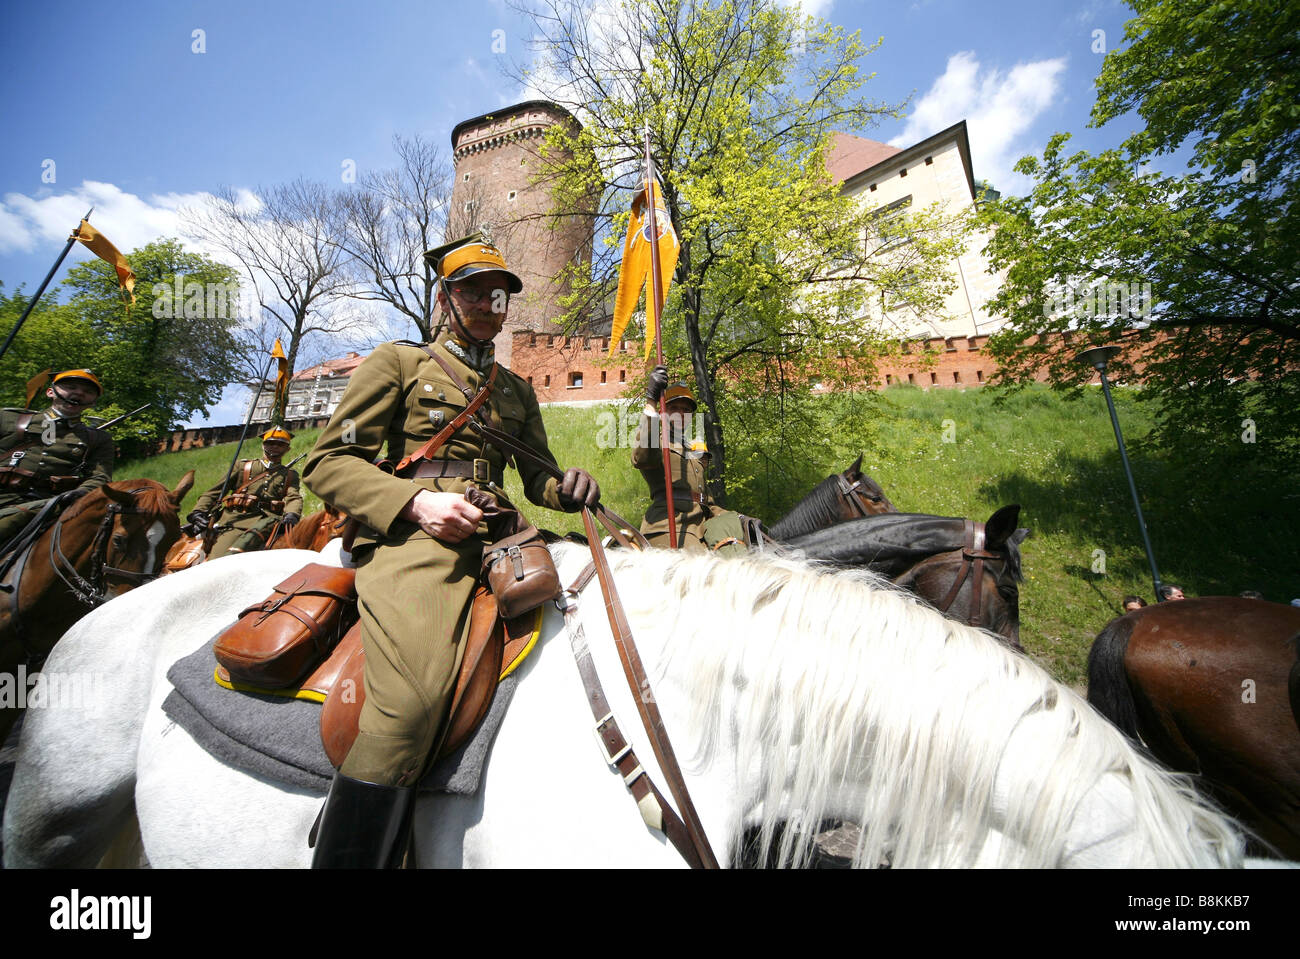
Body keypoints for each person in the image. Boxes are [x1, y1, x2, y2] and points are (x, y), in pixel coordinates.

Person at [302, 233, 599, 868]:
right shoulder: (398, 364)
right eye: (473, 290)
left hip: (502, 537)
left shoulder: (515, 389)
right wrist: (416, 503)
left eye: (499, 293)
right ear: (445, 298)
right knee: (410, 701)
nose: (490, 303)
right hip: (418, 541)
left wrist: (567, 486)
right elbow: (327, 463)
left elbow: (538, 477)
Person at [0, 369, 114, 551]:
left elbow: (100, 477)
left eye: (88, 392)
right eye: (70, 387)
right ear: (50, 391)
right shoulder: (9, 419)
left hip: (51, 504)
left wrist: (77, 494)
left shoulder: (98, 439)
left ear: (92, 403)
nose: (79, 393)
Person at [632, 367, 716, 551]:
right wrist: (651, 400)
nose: (681, 413)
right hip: (670, 523)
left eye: (686, 410)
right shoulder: (658, 442)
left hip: (703, 524)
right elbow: (642, 458)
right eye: (674, 408)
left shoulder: (694, 450)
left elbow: (706, 498)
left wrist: (732, 518)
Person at [188, 428, 302, 558]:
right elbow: (216, 491)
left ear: (287, 449)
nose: (275, 447)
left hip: (269, 522)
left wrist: (292, 514)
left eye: (280, 444)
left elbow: (293, 496)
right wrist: (198, 512)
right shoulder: (243, 466)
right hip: (237, 521)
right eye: (270, 443)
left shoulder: (290, 475)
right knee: (218, 560)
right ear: (263, 445)